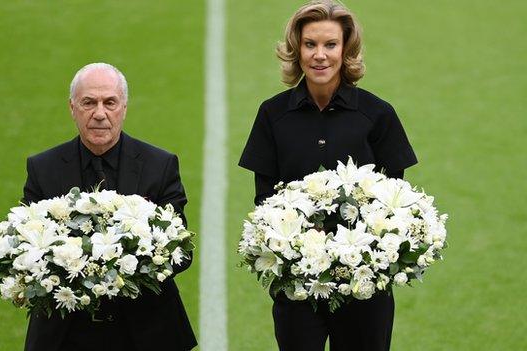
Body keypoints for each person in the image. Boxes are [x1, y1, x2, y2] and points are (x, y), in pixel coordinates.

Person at [238, 1, 418, 350]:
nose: (320, 55)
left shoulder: (378, 114)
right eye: (310, 44)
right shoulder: (272, 114)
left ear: (346, 49)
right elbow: (264, 201)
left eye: (330, 45)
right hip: (297, 284)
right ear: (297, 49)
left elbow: (397, 205)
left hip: (365, 285)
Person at [22, 63, 197, 351]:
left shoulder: (160, 165)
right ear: (72, 108)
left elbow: (181, 252)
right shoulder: (43, 168)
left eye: (110, 103)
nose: (100, 113)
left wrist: (122, 267)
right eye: (88, 103)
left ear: (124, 107)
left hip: (147, 333)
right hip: (64, 335)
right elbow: (26, 247)